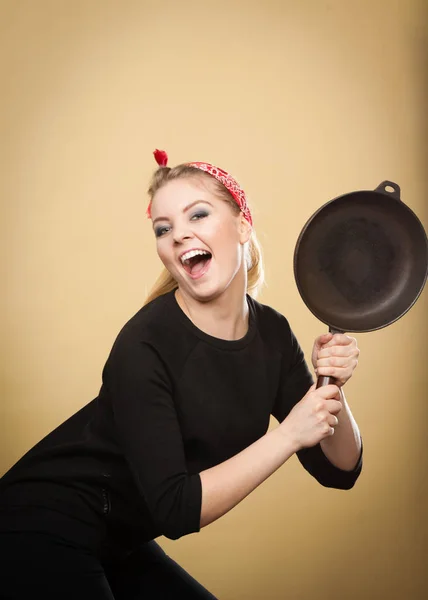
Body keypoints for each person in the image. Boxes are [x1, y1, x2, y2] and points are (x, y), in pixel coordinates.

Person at [0, 149, 362, 599]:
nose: (179, 235)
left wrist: (333, 390)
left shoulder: (272, 333)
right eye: (163, 228)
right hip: (39, 525)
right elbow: (176, 509)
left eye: (198, 214)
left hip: (121, 540)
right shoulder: (144, 343)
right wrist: (288, 434)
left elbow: (339, 469)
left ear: (243, 223)